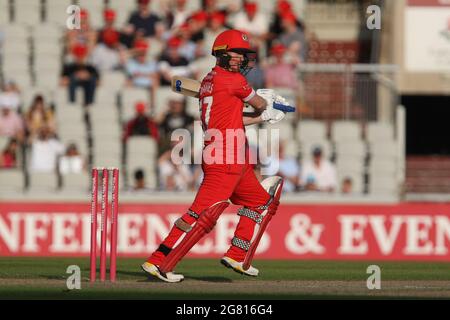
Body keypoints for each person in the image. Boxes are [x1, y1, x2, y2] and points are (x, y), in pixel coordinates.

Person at [141, 29, 290, 282]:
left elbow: (236, 119)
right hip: (224, 157)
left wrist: (263, 116)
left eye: (244, 55)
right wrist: (268, 104)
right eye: (237, 53)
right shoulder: (234, 81)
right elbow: (259, 103)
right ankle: (159, 262)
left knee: (259, 202)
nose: (241, 59)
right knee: (201, 214)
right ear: (221, 53)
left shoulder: (210, 80)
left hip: (234, 157)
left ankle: (237, 254)